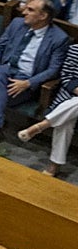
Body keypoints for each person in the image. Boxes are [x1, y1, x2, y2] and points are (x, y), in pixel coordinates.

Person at [0, 0, 69, 147]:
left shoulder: (59, 38)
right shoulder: (17, 24)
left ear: (43, 16)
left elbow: (53, 70)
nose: (24, 12)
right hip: (5, 71)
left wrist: (28, 83)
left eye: (30, 10)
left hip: (27, 79)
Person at [17, 47, 78, 176]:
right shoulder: (75, 50)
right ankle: (55, 164)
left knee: (67, 114)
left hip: (70, 106)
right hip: (70, 98)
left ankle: (42, 125)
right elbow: (66, 77)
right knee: (66, 121)